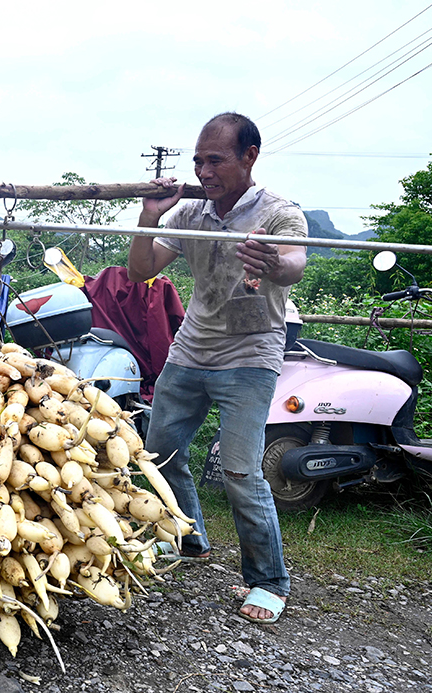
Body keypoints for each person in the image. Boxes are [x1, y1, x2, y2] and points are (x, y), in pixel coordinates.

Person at [127, 112, 307, 625]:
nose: (204, 172)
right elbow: (141, 270)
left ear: (250, 156)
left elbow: (295, 262)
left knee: (240, 470)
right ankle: (188, 540)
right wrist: (150, 215)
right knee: (158, 453)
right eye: (198, 161)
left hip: (251, 354)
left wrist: (272, 262)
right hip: (191, 350)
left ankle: (268, 580)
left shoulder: (278, 212)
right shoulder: (189, 214)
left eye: (216, 160)